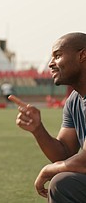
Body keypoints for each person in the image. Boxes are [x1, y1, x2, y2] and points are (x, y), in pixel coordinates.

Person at [9, 32, 86, 203]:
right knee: (65, 181)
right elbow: (64, 153)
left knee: (64, 183)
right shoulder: (74, 100)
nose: (51, 64)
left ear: (82, 55)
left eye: (57, 56)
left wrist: (49, 170)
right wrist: (38, 129)